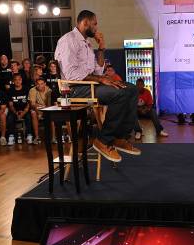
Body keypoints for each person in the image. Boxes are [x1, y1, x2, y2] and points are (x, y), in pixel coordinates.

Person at [55, 9, 140, 162]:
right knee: (118, 94)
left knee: (132, 90)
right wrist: (100, 80)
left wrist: (101, 48)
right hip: (74, 90)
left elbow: (98, 69)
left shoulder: (86, 43)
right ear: (85, 23)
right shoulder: (68, 41)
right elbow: (72, 75)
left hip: (90, 85)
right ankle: (104, 140)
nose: (96, 27)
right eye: (95, 24)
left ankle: (120, 137)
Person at [7, 73, 33, 144]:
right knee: (10, 118)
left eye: (19, 79)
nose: (18, 81)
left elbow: (29, 103)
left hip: (25, 110)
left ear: (21, 80)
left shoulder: (27, 89)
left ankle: (29, 135)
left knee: (29, 116)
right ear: (13, 81)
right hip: (14, 110)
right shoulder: (10, 91)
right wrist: (16, 112)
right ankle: (11, 136)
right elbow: (10, 105)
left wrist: (24, 112)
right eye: (16, 80)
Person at [29, 76, 52, 144]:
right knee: (33, 113)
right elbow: (32, 104)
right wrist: (38, 111)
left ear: (45, 84)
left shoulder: (49, 90)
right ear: (36, 84)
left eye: (41, 83)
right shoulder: (32, 90)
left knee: (52, 114)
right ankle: (37, 137)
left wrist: (42, 107)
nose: (39, 85)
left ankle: (53, 137)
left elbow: (49, 105)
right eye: (38, 84)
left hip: (47, 108)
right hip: (37, 108)